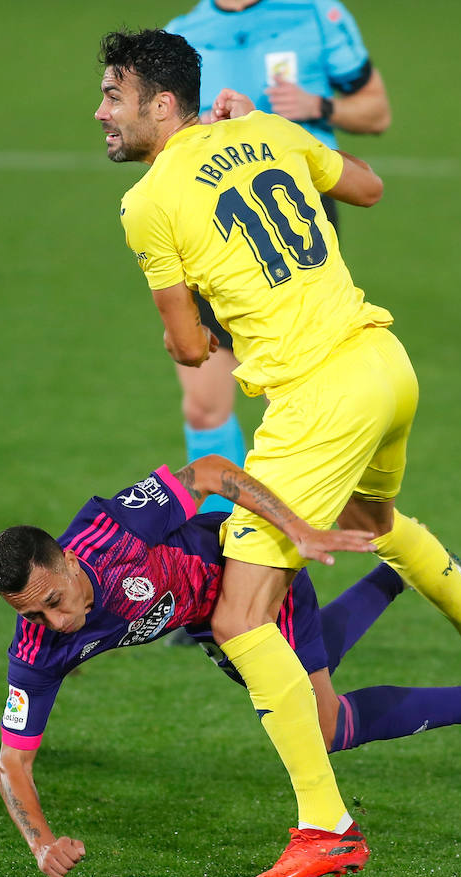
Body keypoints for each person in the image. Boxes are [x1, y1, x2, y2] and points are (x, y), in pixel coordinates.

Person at [95, 29, 461, 877]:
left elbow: (190, 350)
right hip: (386, 364)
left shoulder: (147, 203)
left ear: (161, 104)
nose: (100, 110)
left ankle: (324, 825)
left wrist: (192, 324)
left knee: (238, 619)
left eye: (114, 94)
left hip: (318, 401)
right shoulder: (268, 129)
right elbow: (370, 187)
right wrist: (268, 135)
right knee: (371, 523)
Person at [0, 457, 461, 877]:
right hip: (212, 621)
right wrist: (41, 844)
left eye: (55, 600)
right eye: (32, 613)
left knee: (324, 725)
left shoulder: (110, 532)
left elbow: (209, 473)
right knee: (316, 678)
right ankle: (405, 575)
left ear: (69, 560)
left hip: (246, 565)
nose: (54, 622)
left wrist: (293, 528)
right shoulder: (38, 648)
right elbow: (13, 765)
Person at [162, 0, 392, 513]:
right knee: (204, 406)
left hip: (291, 215)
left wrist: (318, 107)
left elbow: (377, 112)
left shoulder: (317, 16)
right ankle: (219, 541)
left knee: (299, 408)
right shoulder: (180, 34)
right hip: (206, 223)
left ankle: (388, 544)